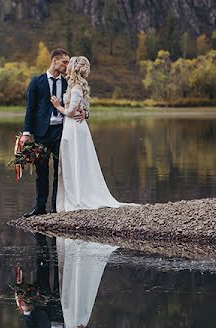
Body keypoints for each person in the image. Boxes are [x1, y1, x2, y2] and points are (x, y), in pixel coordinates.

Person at [50, 56, 135, 211]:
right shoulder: (72, 84)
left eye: (69, 63)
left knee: (77, 161)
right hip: (73, 127)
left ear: (74, 68)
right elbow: (80, 108)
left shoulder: (75, 88)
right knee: (74, 161)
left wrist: (57, 106)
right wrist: (84, 111)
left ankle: (80, 196)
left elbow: (69, 113)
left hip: (74, 127)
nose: (67, 65)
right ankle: (75, 194)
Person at [20, 49, 86, 218]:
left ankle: (56, 207)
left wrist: (86, 113)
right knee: (41, 171)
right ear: (54, 61)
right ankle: (40, 207)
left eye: (68, 62)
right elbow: (30, 108)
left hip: (62, 132)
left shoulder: (68, 82)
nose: (67, 65)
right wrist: (26, 133)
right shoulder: (36, 81)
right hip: (41, 133)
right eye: (64, 62)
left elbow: (81, 102)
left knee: (60, 170)